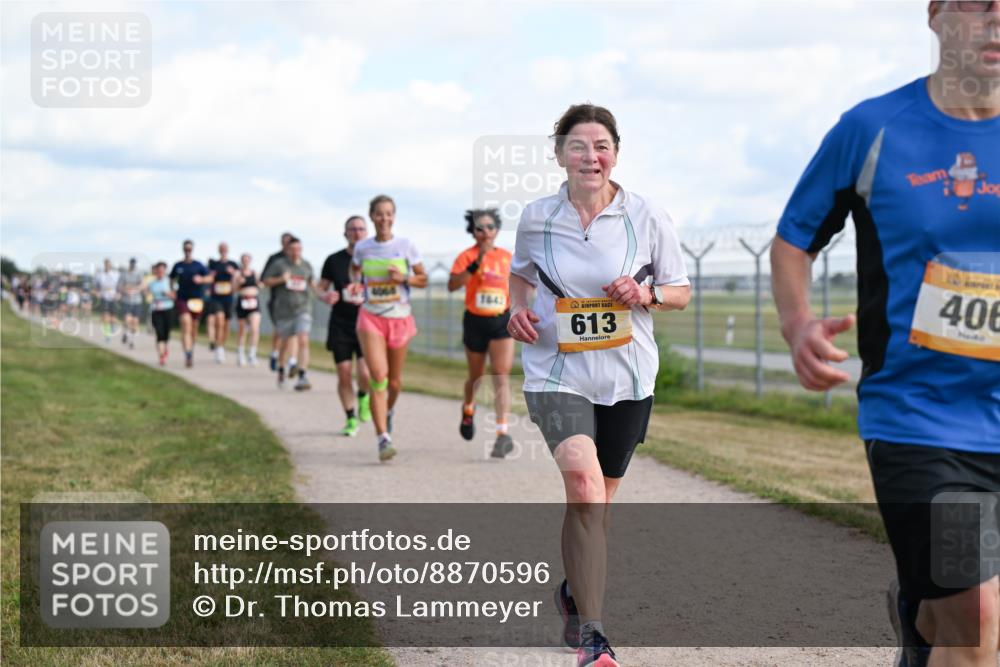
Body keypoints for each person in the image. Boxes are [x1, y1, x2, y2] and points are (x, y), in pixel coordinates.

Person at [771, 4, 999, 666]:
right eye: (977, 2)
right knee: (980, 617)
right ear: (936, 14)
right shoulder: (873, 130)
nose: (995, 19)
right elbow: (793, 238)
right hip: (923, 425)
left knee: (961, 610)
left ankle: (921, 616)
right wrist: (797, 323)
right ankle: (937, 614)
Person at [508, 104, 690, 667]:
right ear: (558, 152)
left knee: (598, 504)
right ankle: (593, 635)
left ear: (616, 152)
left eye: (602, 145)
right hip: (555, 371)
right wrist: (516, 312)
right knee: (584, 489)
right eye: (579, 146)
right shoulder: (536, 218)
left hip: (628, 375)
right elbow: (520, 276)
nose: (591, 156)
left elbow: (679, 290)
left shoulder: (646, 215)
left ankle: (571, 590)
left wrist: (647, 296)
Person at [351, 194, 428, 462]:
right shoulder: (362, 247)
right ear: (371, 216)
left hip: (400, 318)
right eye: (379, 213)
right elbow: (355, 271)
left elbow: (423, 279)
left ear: (393, 217)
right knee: (378, 376)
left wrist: (404, 277)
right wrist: (355, 285)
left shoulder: (405, 245)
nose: (384, 218)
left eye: (388, 213)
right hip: (371, 317)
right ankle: (383, 438)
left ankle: (387, 411)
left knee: (394, 382)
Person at [448, 208, 515, 458]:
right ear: (472, 232)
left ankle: (502, 433)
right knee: (476, 377)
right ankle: (468, 408)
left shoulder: (508, 257)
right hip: (475, 320)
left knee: (501, 374)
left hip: (501, 320)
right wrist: (477, 263)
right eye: (479, 228)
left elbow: (518, 286)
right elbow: (453, 285)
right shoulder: (466, 256)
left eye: (489, 227)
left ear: (496, 229)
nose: (485, 232)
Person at [319, 215, 372, 437]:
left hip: (367, 322)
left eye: (361, 229)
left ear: (366, 233)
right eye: (352, 229)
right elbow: (319, 287)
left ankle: (363, 397)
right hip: (341, 322)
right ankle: (350, 418)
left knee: (365, 372)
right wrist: (325, 295)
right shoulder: (334, 260)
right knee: (344, 372)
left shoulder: (374, 259)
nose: (357, 233)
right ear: (345, 233)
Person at [261, 237, 319, 391]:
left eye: (299, 249)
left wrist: (323, 294)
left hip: (303, 308)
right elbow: (265, 281)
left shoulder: (306, 266)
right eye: (293, 249)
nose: (296, 252)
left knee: (303, 339)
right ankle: (281, 369)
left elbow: (313, 284)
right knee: (285, 344)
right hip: (284, 311)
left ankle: (302, 375)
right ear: (287, 250)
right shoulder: (279, 265)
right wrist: (281, 279)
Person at [169, 240, 210, 368]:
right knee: (186, 324)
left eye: (189, 249)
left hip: (196, 300)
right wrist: (173, 291)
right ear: (183, 250)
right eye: (186, 249)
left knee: (193, 328)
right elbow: (171, 278)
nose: (188, 251)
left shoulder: (198, 265)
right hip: (182, 299)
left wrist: (201, 279)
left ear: (192, 250)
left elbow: (210, 278)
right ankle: (187, 354)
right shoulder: (178, 265)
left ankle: (191, 349)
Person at [262, 232, 293, 372]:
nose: (287, 244)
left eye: (290, 242)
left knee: (293, 331)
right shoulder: (274, 259)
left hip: (295, 301)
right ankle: (275, 353)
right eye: (285, 242)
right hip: (277, 300)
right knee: (280, 330)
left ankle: (290, 360)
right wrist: (281, 279)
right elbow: (264, 280)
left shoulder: (297, 259)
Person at [206, 242, 240, 364]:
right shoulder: (214, 264)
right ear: (219, 250)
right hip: (216, 297)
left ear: (228, 250)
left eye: (225, 248)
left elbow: (238, 280)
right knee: (219, 321)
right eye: (221, 248)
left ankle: (221, 345)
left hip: (228, 297)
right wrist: (210, 276)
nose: (223, 250)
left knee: (226, 324)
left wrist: (234, 274)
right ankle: (218, 348)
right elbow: (208, 278)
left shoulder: (233, 264)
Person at [145, 261, 175, 366]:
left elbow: (175, 296)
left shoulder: (170, 282)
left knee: (166, 334)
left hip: (168, 309)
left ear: (165, 271)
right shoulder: (152, 283)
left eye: (162, 270)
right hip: (156, 310)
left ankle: (165, 347)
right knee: (159, 333)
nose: (160, 272)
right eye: (158, 270)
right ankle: (161, 356)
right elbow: (147, 293)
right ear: (156, 271)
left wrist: (168, 294)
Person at [234, 253, 261, 367]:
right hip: (242, 302)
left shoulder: (255, 273)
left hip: (253, 302)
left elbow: (261, 285)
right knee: (242, 330)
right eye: (244, 260)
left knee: (255, 328)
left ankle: (252, 354)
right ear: (241, 261)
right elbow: (233, 289)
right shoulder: (237, 274)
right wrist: (238, 284)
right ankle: (240, 354)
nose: (246, 262)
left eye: (247, 260)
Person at [118, 257, 145, 349]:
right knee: (127, 320)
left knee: (135, 322)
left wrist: (135, 288)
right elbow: (119, 287)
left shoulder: (139, 274)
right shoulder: (124, 274)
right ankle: (126, 333)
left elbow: (142, 285)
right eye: (132, 263)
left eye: (134, 263)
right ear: (129, 264)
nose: (133, 265)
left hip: (137, 301)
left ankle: (131, 341)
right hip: (126, 301)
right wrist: (126, 289)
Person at [94, 258, 120, 344]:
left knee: (112, 318)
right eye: (106, 265)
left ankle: (112, 327)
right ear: (104, 265)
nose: (107, 266)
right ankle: (107, 335)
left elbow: (119, 286)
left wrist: (118, 294)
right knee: (105, 317)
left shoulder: (115, 274)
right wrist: (97, 293)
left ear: (111, 266)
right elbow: (96, 287)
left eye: (109, 265)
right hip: (104, 296)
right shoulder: (99, 275)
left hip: (113, 297)